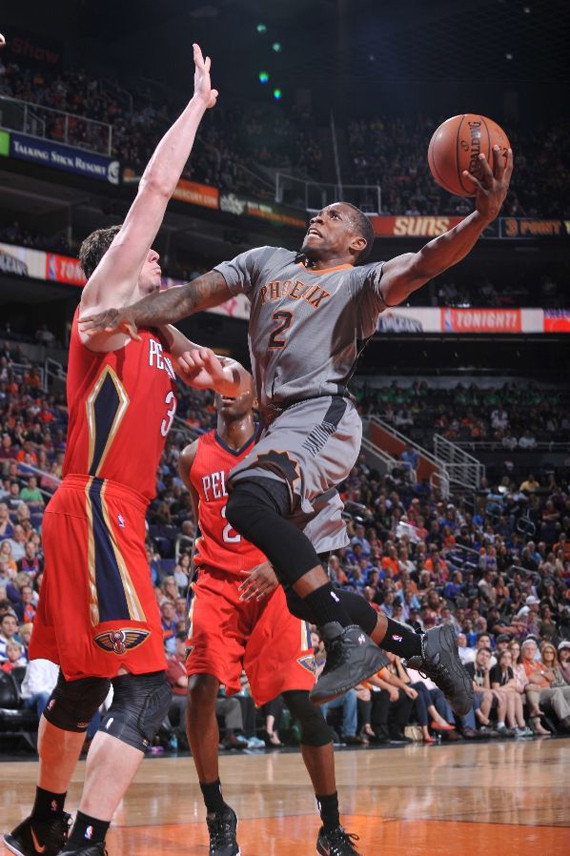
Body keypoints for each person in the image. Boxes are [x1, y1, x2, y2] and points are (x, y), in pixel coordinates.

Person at [80, 124, 512, 717]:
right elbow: (191, 296)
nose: (318, 216)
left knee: (245, 497)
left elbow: (428, 260)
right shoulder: (265, 263)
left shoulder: (362, 283)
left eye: (334, 216)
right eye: (320, 211)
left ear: (357, 243)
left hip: (322, 414)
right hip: (282, 425)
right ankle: (420, 645)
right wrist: (128, 314)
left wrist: (481, 219)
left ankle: (343, 643)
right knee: (300, 587)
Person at [3, 45, 248, 856]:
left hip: (109, 512)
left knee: (82, 681)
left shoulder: (151, 338)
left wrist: (197, 348)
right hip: (99, 505)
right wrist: (198, 107)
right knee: (148, 690)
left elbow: (223, 378)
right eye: (150, 256)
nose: (158, 259)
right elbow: (150, 192)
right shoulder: (103, 309)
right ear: (118, 265)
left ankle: (39, 825)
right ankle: (85, 840)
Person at [179, 383, 363, 856]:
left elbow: (314, 507)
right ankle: (218, 814)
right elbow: (201, 515)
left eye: (237, 376)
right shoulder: (190, 457)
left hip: (273, 584)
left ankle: (331, 827)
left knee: (305, 702)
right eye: (219, 376)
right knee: (200, 689)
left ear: (257, 396)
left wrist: (277, 562)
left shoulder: (282, 448)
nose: (225, 384)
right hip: (218, 584)